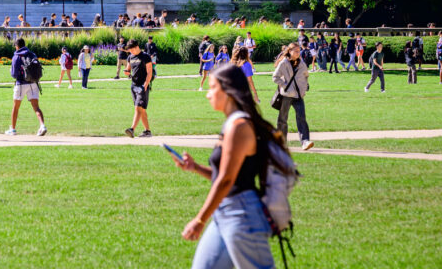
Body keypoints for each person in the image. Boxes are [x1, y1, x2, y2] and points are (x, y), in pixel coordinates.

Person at [174, 64, 280, 269]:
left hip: (242, 215)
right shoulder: (231, 124)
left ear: (228, 91)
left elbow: (226, 180)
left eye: (212, 87)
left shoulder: (239, 126)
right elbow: (226, 174)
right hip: (225, 211)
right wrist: (195, 167)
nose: (208, 94)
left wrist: (199, 220)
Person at [272, 43, 313, 151]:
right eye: (295, 51)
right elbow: (275, 77)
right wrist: (285, 86)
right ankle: (282, 143)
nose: (298, 53)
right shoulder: (284, 63)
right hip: (286, 95)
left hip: (298, 95)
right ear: (289, 51)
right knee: (282, 119)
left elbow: (306, 75)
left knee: (301, 118)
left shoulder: (301, 63)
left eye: (299, 51)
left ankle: (305, 141)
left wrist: (304, 87)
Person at [7, 38, 47, 136]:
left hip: (21, 84)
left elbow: (14, 74)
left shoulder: (16, 56)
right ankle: (42, 125)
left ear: (17, 46)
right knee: (36, 107)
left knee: (15, 107)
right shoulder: (32, 54)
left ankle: (12, 129)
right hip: (34, 83)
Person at [123, 39, 154, 138]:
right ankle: (147, 131)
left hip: (142, 85)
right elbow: (128, 69)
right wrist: (127, 72)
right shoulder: (130, 57)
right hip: (134, 85)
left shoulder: (145, 56)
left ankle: (132, 129)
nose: (130, 52)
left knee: (138, 107)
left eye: (131, 50)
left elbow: (150, 72)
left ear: (136, 47)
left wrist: (146, 84)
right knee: (142, 109)